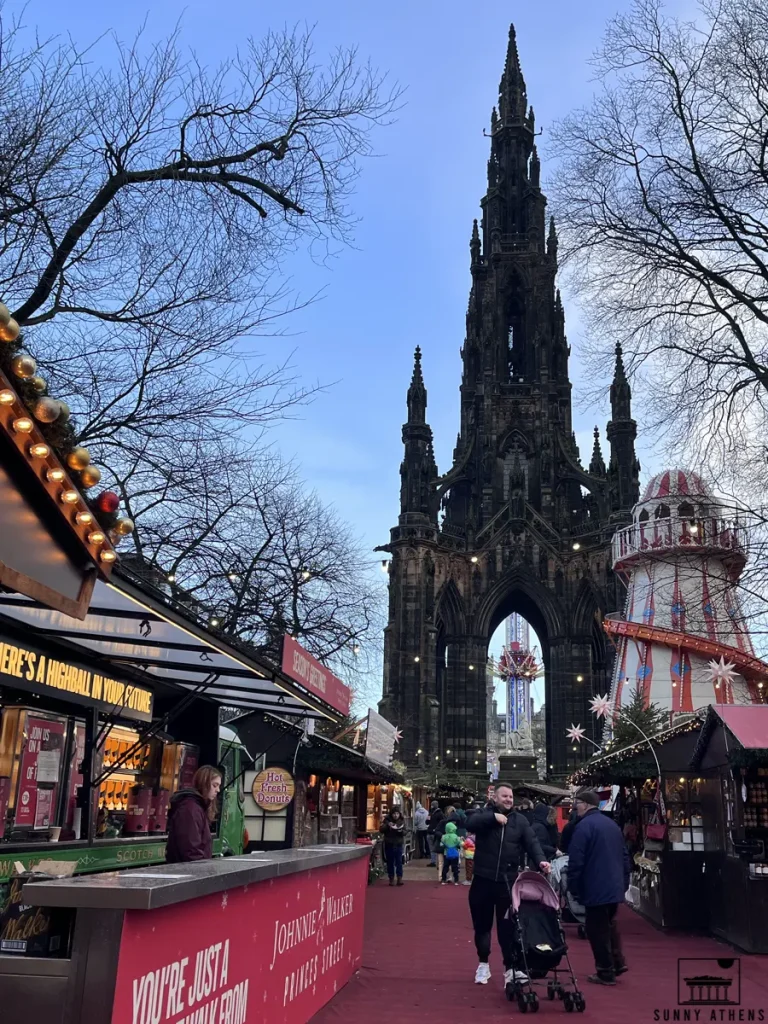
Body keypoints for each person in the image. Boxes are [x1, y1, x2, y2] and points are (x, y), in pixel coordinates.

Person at [466, 782, 551, 989]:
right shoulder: (484, 815)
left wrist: (541, 860)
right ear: (494, 798)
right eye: (504, 796)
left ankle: (510, 968)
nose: (508, 800)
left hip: (507, 882)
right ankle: (483, 964)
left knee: (509, 928)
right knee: (482, 927)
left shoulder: (520, 821)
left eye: (511, 797)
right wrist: (492, 818)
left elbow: (532, 843)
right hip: (483, 881)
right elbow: (470, 823)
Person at [567, 789, 630, 986]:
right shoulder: (612, 825)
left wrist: (573, 887)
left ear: (585, 804)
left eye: (577, 803)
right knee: (610, 925)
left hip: (595, 885)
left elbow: (576, 860)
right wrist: (624, 881)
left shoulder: (584, 826)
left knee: (597, 930)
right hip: (613, 885)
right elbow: (625, 856)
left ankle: (605, 970)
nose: (575, 807)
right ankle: (617, 962)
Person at [165, 765, 222, 863]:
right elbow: (190, 850)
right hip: (188, 871)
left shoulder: (196, 807)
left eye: (218, 786)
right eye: (214, 785)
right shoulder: (190, 809)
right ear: (204, 784)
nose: (218, 790)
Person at [380, 808, 406, 886]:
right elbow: (381, 829)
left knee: (399, 862)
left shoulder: (401, 821)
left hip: (398, 844)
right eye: (394, 814)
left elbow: (405, 831)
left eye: (397, 814)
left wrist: (401, 831)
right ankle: (391, 878)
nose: (396, 815)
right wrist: (388, 826)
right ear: (391, 814)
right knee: (390, 862)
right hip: (389, 844)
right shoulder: (386, 821)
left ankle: (399, 878)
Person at [440, 821, 464, 885]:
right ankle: (456, 880)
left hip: (446, 854)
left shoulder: (444, 837)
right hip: (454, 854)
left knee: (445, 867)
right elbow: (462, 844)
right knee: (455, 867)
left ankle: (443, 880)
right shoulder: (456, 837)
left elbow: (441, 845)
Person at [426, 800, 444, 867]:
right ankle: (434, 861)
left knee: (434, 848)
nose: (431, 806)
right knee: (433, 847)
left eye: (432, 805)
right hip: (432, 832)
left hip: (433, 832)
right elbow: (427, 822)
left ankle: (435, 861)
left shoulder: (433, 813)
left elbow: (427, 822)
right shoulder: (435, 813)